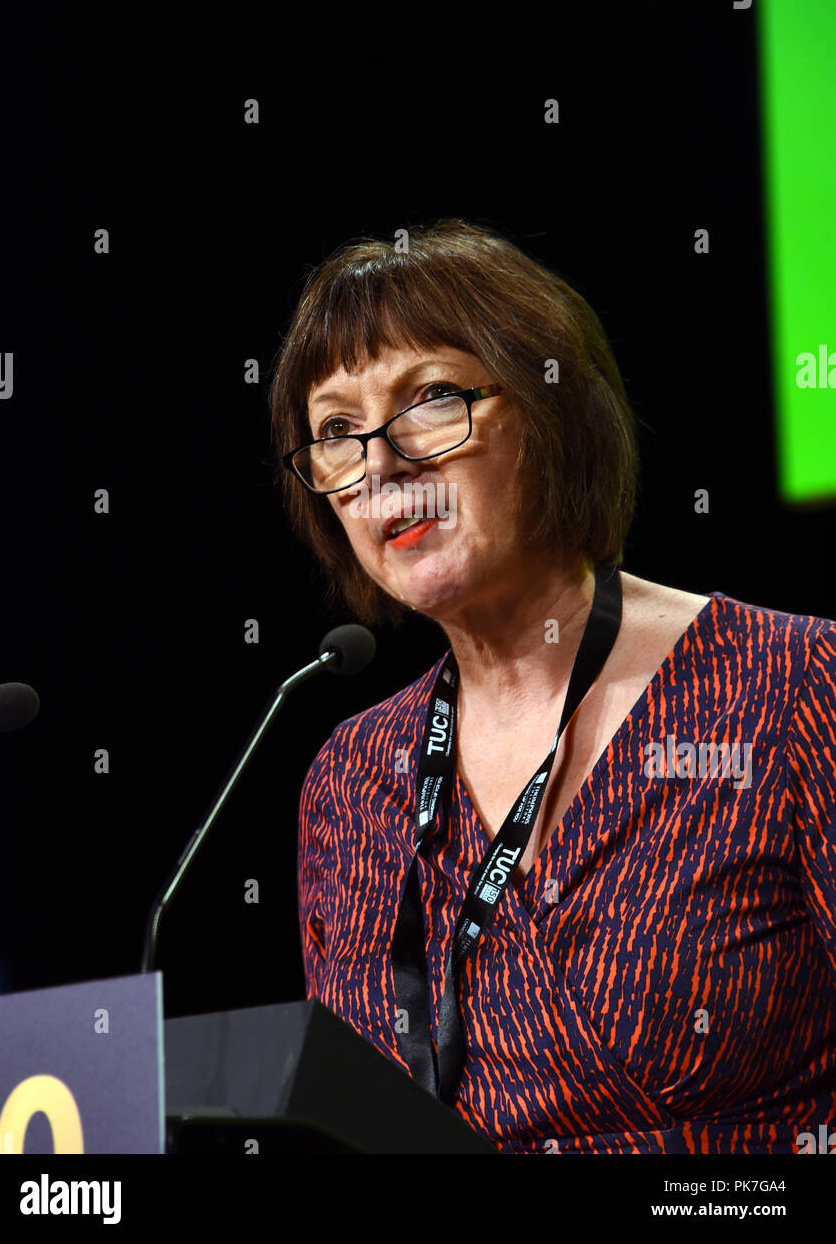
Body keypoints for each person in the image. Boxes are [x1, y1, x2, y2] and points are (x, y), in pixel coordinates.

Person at [269, 218, 836, 1154]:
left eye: (431, 400)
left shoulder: (793, 687)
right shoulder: (351, 781)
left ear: (552, 411)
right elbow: (355, 1128)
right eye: (335, 430)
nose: (380, 464)